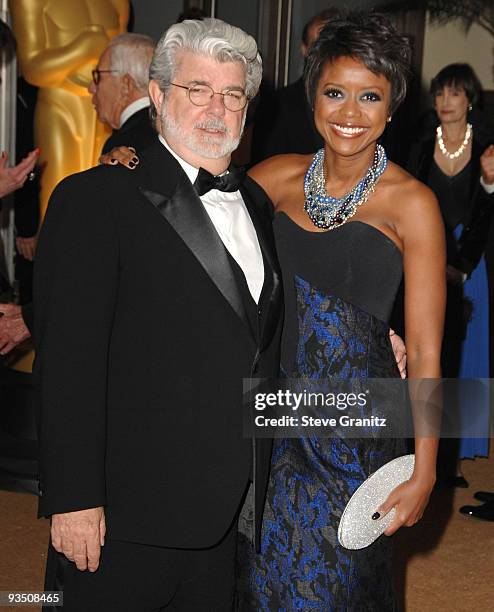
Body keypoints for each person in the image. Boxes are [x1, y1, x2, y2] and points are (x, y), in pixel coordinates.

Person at [34, 18, 282, 612]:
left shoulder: (254, 201)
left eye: (232, 94)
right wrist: (72, 498)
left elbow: (259, 333)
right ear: (159, 96)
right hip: (125, 513)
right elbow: (70, 362)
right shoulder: (95, 199)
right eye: (198, 89)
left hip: (231, 508)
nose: (216, 108)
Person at [239, 12, 445, 609]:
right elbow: (196, 229)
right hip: (274, 420)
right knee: (265, 580)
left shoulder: (413, 204)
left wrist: (425, 468)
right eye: (335, 92)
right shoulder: (272, 181)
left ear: (391, 104)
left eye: (370, 96)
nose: (350, 113)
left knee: (339, 587)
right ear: (312, 96)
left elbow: (429, 348)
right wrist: (131, 156)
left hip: (359, 430)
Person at [408, 64, 493, 487]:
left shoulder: (487, 146)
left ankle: (458, 456)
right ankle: (431, 452)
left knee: (468, 358)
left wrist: (491, 184)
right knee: (431, 351)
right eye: (440, 94)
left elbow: (486, 212)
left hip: (471, 263)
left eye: (454, 94)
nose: (445, 102)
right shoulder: (422, 143)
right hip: (427, 256)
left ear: (470, 101)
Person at [10, 0, 129, 217]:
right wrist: (80, 49)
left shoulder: (118, 3)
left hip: (106, 112)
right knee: (58, 199)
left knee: (104, 200)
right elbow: (32, 67)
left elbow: (123, 63)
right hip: (60, 106)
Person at [251, 8, 340, 162]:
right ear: (304, 48)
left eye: (334, 46)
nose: (325, 55)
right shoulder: (276, 105)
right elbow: (263, 167)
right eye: (317, 46)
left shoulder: (366, 106)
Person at [89, 33, 156, 155]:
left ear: (126, 85)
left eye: (98, 76)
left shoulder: (122, 149)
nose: (91, 88)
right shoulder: (173, 134)